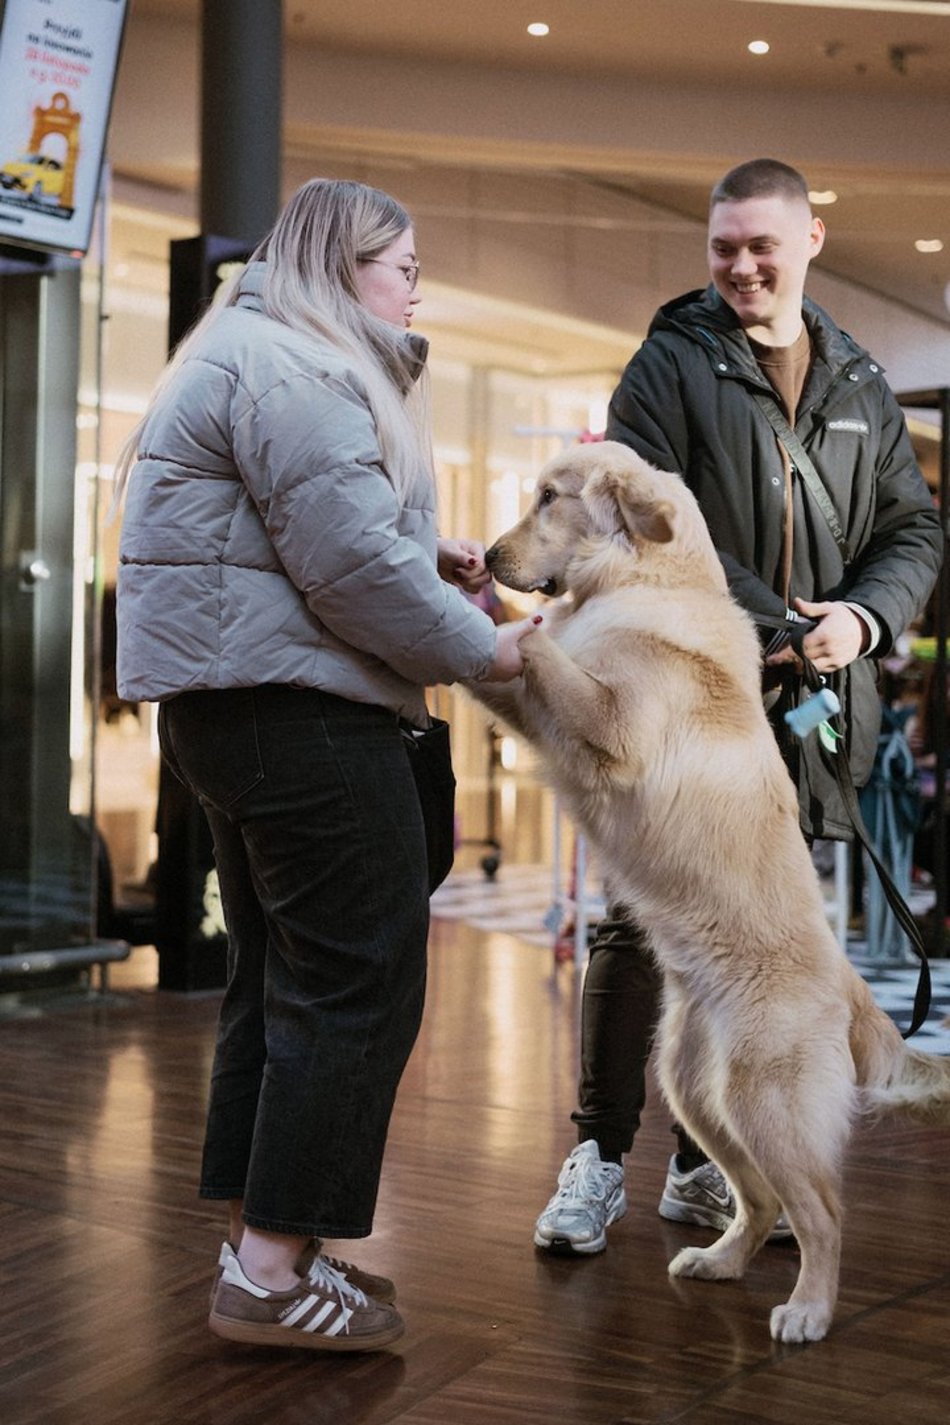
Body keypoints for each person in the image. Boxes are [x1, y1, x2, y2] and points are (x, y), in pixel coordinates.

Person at [114, 177, 538, 1349]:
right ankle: (264, 1275)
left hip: (243, 716)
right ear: (342, 266)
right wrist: (483, 648)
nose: (415, 285)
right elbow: (345, 565)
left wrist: (420, 553)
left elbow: (311, 542)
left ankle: (270, 1249)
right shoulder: (297, 366)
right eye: (402, 264)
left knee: (287, 985)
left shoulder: (251, 350)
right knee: (354, 984)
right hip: (299, 722)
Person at [534, 158, 943, 1255]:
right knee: (638, 924)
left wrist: (857, 622)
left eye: (762, 244)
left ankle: (703, 1170)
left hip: (813, 710)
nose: (741, 266)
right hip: (685, 698)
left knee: (753, 944)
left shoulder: (857, 378)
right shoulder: (666, 368)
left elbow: (911, 529)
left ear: (811, 236)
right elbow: (641, 537)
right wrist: (772, 625)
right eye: (723, 247)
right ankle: (594, 1156)